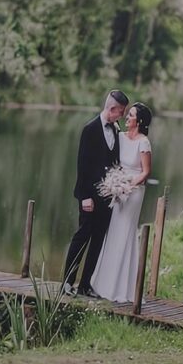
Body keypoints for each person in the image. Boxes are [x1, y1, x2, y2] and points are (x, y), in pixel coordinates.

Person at [88, 103, 153, 303]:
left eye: (130, 115)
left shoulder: (144, 142)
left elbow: (146, 172)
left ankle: (123, 288)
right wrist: (115, 183)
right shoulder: (120, 136)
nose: (126, 117)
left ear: (138, 121)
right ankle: (103, 284)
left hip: (133, 192)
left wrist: (128, 185)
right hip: (117, 189)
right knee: (113, 231)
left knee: (125, 232)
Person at [64, 90, 129, 291]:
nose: (122, 116)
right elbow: (82, 165)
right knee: (82, 237)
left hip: (108, 197)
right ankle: (67, 282)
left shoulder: (116, 130)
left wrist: (117, 187)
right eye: (121, 112)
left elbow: (114, 162)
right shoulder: (90, 129)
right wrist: (84, 197)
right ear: (112, 108)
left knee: (98, 240)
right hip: (89, 197)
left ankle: (85, 284)